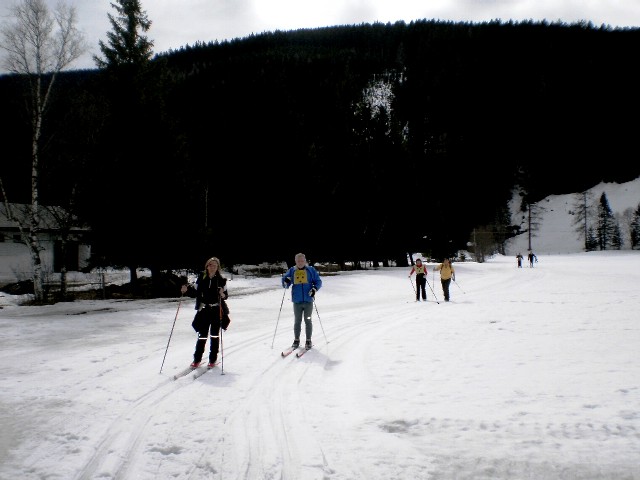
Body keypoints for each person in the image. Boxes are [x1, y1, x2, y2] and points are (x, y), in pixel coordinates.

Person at [180, 257, 228, 368]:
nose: (212, 267)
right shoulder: (202, 278)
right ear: (207, 266)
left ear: (218, 267)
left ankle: (212, 360)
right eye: (211, 265)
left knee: (214, 336)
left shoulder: (221, 280)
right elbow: (195, 293)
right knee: (202, 336)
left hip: (216, 310)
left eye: (215, 265)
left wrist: (222, 294)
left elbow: (226, 296)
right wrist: (186, 291)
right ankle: (197, 360)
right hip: (204, 310)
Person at [281, 253, 322, 350]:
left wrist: (314, 289)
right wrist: (286, 281)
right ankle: (296, 339)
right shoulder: (292, 270)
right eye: (298, 261)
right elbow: (285, 284)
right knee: (297, 321)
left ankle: (308, 340)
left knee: (308, 320)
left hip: (308, 301)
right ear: (295, 261)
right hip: (297, 301)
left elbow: (318, 281)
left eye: (302, 261)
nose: (300, 262)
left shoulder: (310, 270)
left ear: (305, 261)